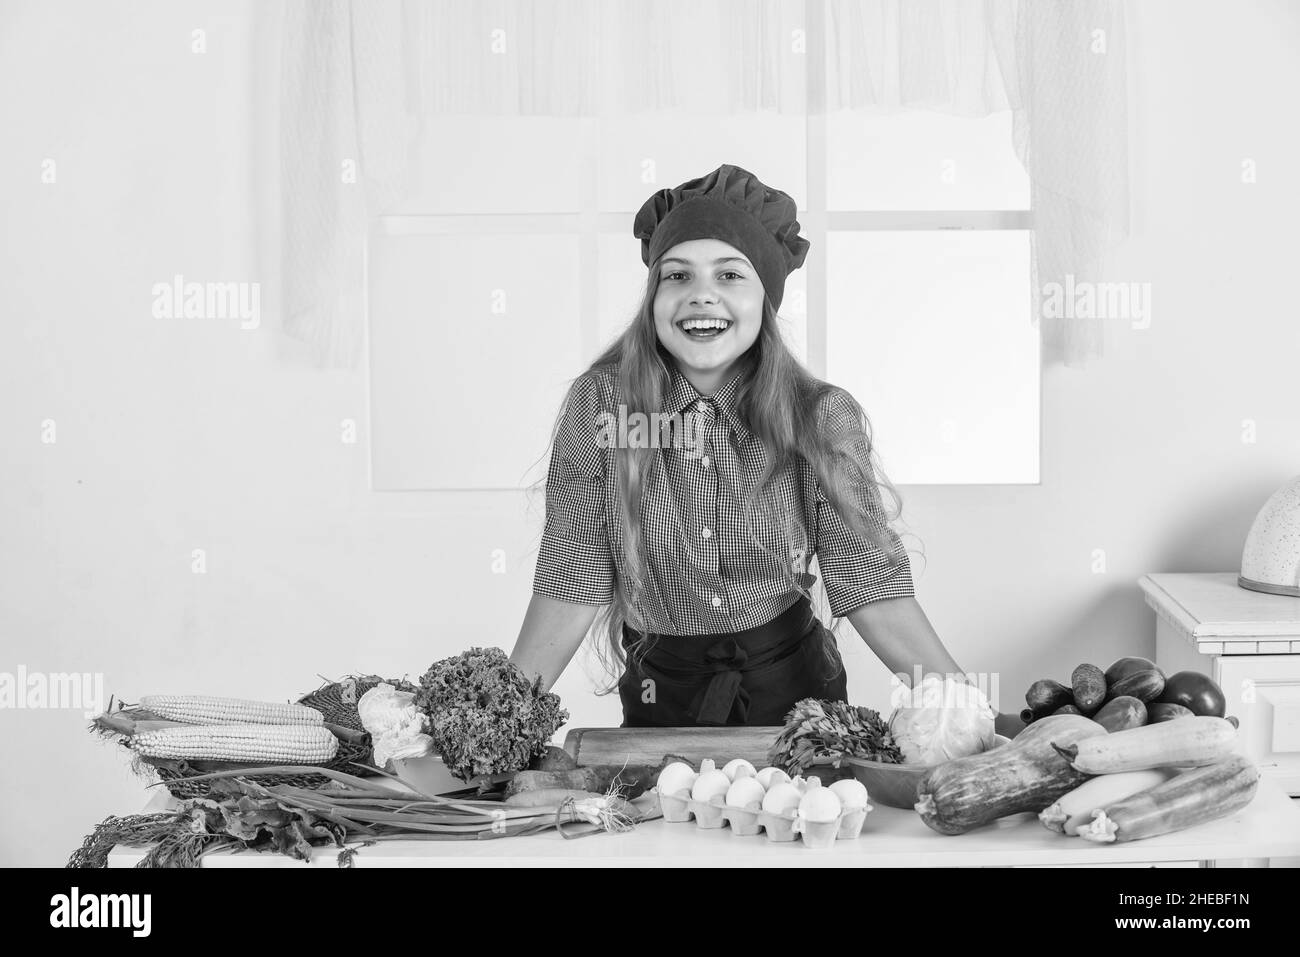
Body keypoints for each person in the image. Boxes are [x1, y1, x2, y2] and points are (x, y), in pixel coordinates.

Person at [512, 163, 1023, 736]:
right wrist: (500, 716)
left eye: (730, 275)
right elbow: (570, 578)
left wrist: (966, 711)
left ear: (766, 299)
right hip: (660, 696)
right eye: (676, 276)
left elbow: (870, 585)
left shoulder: (819, 415)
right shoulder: (602, 406)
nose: (701, 295)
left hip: (798, 696)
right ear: (653, 296)